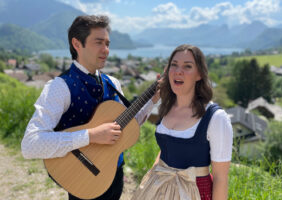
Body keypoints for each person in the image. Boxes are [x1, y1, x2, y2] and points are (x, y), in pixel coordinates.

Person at [21, 15, 158, 200]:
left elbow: (125, 127)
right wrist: (91, 136)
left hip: (114, 176)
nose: (106, 50)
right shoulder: (59, 87)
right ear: (77, 44)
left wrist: (153, 99)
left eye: (108, 43)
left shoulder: (113, 83)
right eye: (99, 42)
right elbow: (30, 145)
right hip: (83, 179)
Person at [132, 44, 233, 200]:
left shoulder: (216, 118)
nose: (178, 71)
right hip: (157, 187)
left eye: (187, 66)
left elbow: (221, 177)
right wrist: (149, 180)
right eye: (174, 65)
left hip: (194, 191)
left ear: (199, 74)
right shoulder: (165, 107)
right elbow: (165, 150)